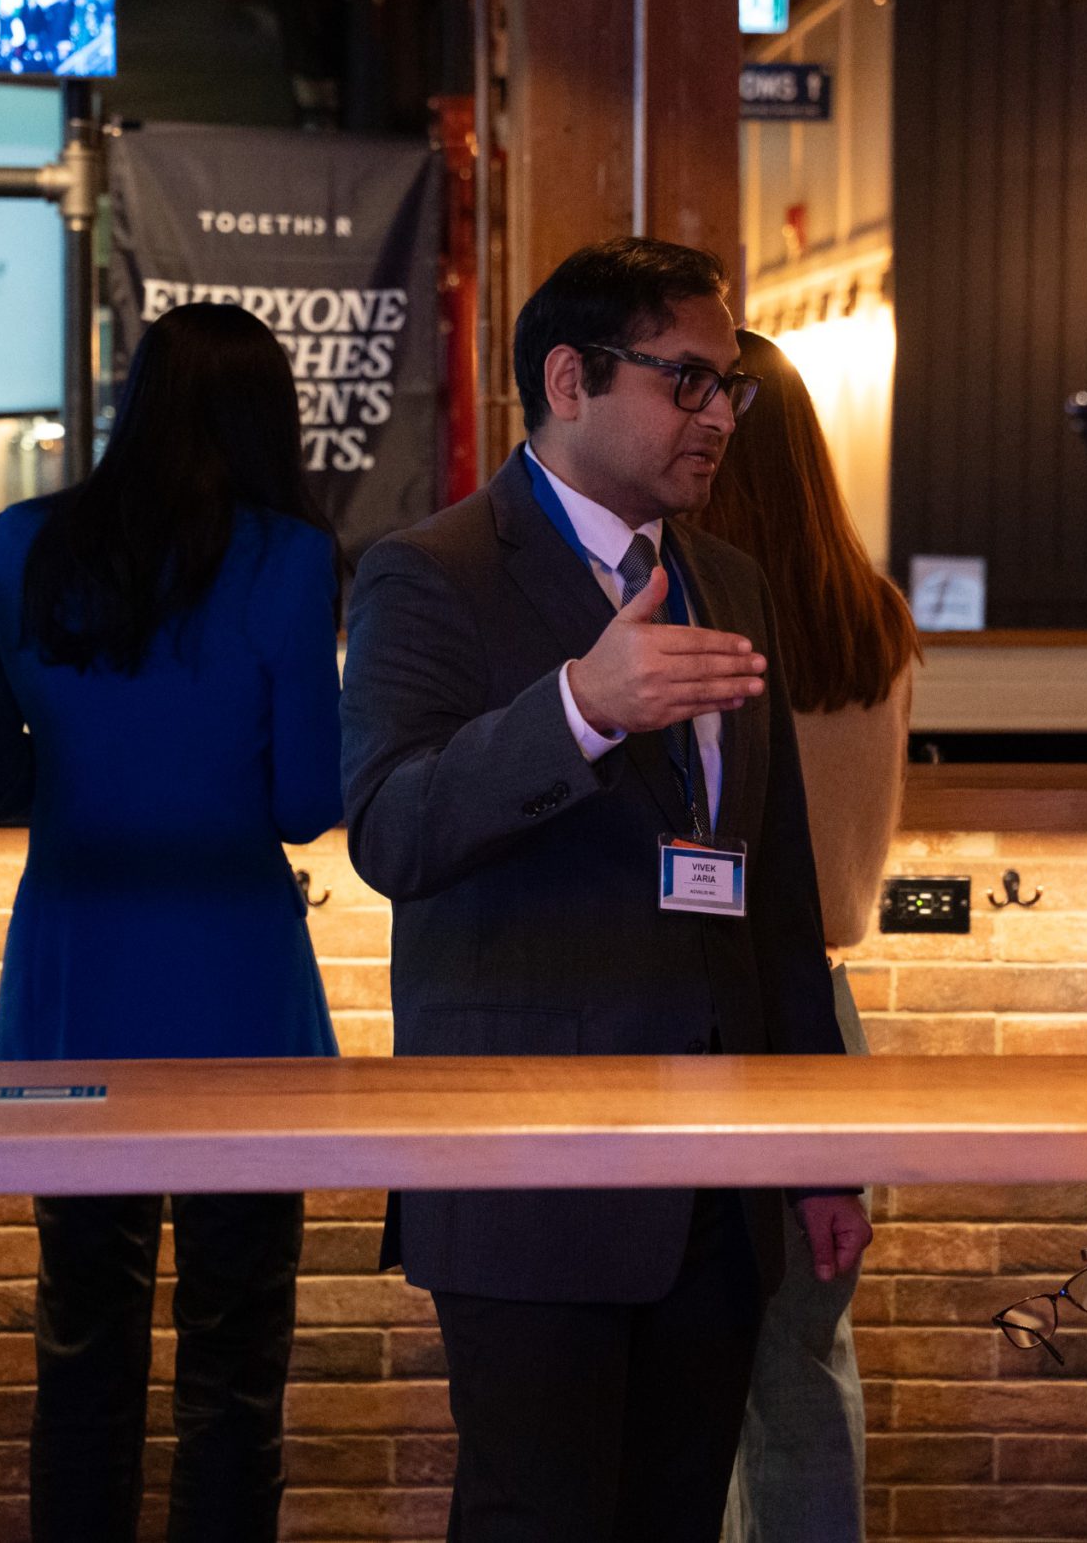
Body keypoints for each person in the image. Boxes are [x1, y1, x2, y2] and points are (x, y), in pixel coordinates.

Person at [341, 237, 875, 1543]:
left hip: (718, 1180)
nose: (720, 417)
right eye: (686, 380)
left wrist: (821, 1152)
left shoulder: (729, 579)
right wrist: (580, 707)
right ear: (570, 380)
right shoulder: (431, 571)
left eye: (730, 386)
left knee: (677, 1514)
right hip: (530, 1169)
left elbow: (775, 895)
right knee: (537, 1517)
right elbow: (392, 831)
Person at [0, 301, 345, 1543]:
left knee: (82, 1335)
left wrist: (80, 766)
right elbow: (306, 803)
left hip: (75, 977)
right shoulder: (289, 559)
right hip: (240, 990)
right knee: (237, 1356)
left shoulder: (23, 542)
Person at [693, 329, 920, 1543]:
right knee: (805, 1363)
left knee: (690, 1372)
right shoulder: (870, 616)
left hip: (707, 1009)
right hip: (824, 1018)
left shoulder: (698, 620)